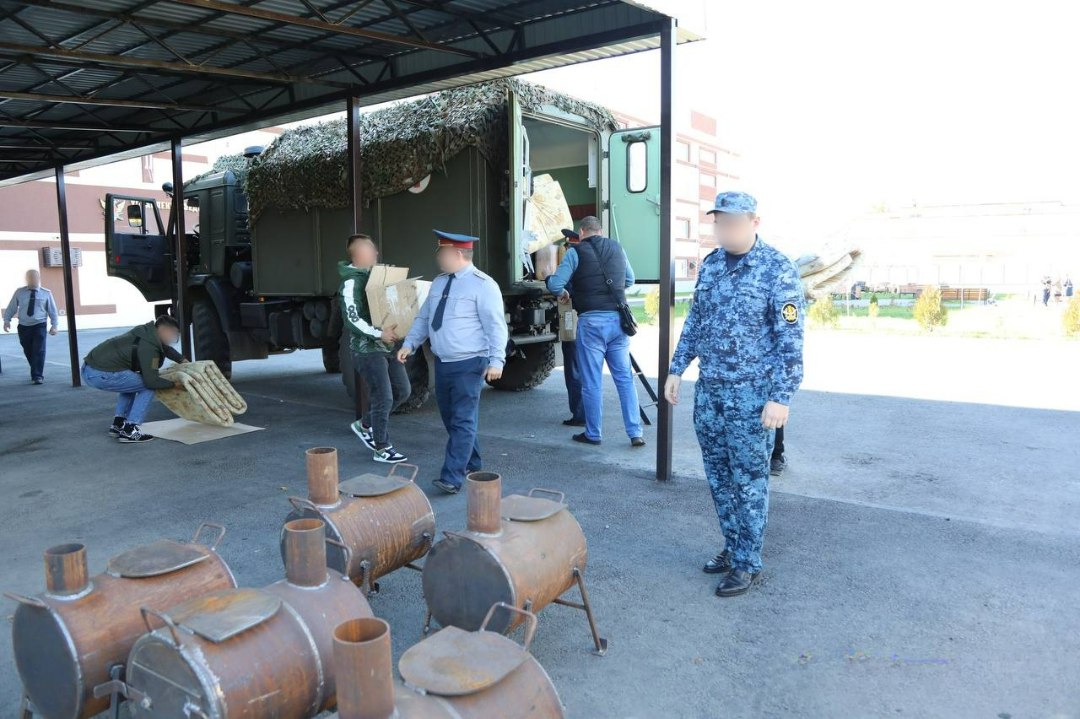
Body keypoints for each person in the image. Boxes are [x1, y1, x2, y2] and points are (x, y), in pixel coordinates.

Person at [664, 191, 804, 598]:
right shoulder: (711, 267)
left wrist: (781, 395)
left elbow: (790, 341)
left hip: (751, 396)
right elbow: (696, 321)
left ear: (754, 222)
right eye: (719, 222)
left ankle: (748, 562)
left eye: (733, 222)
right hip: (710, 392)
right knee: (719, 474)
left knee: (750, 479)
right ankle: (733, 544)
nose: (724, 229)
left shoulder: (777, 269)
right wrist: (676, 369)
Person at [398, 231, 508, 494]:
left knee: (462, 419)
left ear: (457, 254)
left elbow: (496, 326)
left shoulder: (483, 285)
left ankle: (452, 477)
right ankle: (472, 461)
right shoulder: (438, 282)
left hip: (470, 362)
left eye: (442, 252)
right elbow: (425, 318)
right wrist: (409, 343)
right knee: (451, 418)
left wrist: (497, 360)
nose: (438, 257)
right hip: (444, 362)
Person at [546, 216, 644, 448]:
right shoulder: (617, 248)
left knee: (591, 381)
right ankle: (635, 432)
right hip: (618, 321)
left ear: (581, 232)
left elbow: (555, 285)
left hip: (592, 323)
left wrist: (566, 292)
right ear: (600, 230)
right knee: (625, 380)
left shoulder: (575, 252)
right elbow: (629, 279)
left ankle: (593, 433)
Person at [339, 234, 410, 464]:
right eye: (371, 250)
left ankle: (365, 424)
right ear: (358, 255)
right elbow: (352, 320)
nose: (376, 253)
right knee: (384, 397)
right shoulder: (350, 283)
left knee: (403, 391)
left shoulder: (378, 277)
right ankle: (382, 447)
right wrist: (379, 333)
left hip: (388, 345)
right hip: (367, 350)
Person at [82, 315, 186, 443]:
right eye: (173, 334)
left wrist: (182, 360)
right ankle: (130, 429)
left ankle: (118, 424)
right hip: (100, 374)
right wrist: (175, 385)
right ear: (164, 331)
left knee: (132, 382)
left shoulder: (146, 332)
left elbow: (164, 348)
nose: (173, 339)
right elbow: (151, 381)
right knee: (148, 387)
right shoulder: (149, 348)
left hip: (91, 369)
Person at [3, 269, 59, 384]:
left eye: (35, 277)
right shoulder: (19, 292)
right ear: (27, 279)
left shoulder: (46, 293)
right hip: (24, 326)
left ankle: (37, 376)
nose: (33, 279)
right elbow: (12, 307)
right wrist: (6, 320)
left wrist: (54, 325)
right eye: (30, 277)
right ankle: (35, 368)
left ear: (39, 278)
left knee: (39, 350)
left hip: (39, 325)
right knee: (28, 350)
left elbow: (52, 310)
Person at [557, 228, 585, 428]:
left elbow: (558, 284)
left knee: (573, 369)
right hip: (593, 321)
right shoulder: (596, 259)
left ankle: (579, 414)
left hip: (573, 319)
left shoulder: (573, 260)